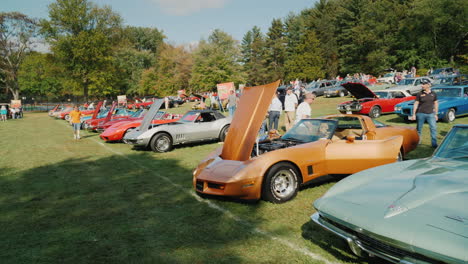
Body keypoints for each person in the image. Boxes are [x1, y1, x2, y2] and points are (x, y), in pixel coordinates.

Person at [411, 80, 438, 148]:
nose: (422, 85)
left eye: (423, 84)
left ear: (428, 85)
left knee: (433, 128)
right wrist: (414, 114)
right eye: (422, 84)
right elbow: (416, 103)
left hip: (431, 114)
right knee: (419, 129)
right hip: (420, 114)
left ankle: (434, 143)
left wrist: (436, 114)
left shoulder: (433, 93)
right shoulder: (419, 93)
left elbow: (436, 103)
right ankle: (418, 142)